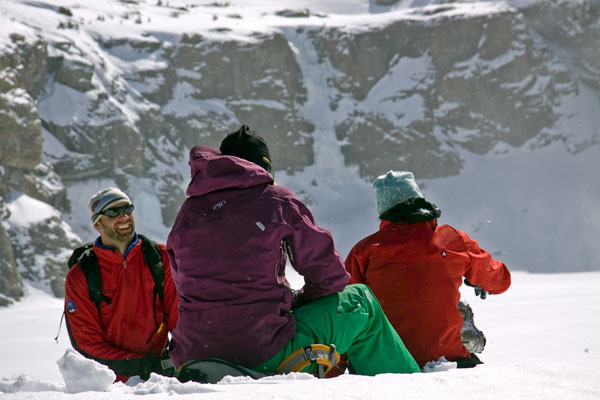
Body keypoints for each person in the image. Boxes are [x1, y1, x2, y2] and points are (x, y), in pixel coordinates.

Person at [166, 125, 419, 377]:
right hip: (262, 351)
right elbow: (329, 275)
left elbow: (184, 285)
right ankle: (409, 389)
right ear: (263, 167)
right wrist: (299, 300)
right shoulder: (276, 200)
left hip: (194, 353)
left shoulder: (188, 211)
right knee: (361, 301)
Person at [345, 170, 511, 368]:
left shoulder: (366, 250)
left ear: (382, 208)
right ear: (418, 197)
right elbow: (501, 281)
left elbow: (345, 305)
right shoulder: (454, 241)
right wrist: (475, 276)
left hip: (384, 361)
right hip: (447, 358)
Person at [64, 187, 179, 382]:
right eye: (112, 212)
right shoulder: (82, 274)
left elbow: (180, 319)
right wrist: (140, 366)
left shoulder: (160, 258)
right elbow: (86, 341)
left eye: (127, 208)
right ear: (97, 224)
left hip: (160, 379)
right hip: (109, 384)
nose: (124, 216)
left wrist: (180, 360)